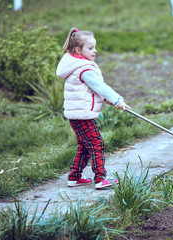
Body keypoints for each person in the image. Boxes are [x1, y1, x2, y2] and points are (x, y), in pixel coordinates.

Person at [56, 27, 131, 189]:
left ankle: (74, 177)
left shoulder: (76, 65)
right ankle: (100, 178)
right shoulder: (84, 69)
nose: (95, 51)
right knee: (96, 144)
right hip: (83, 115)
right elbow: (100, 86)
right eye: (90, 48)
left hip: (76, 114)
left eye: (95, 47)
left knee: (84, 146)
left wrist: (107, 100)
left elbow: (92, 90)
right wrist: (117, 100)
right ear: (78, 50)